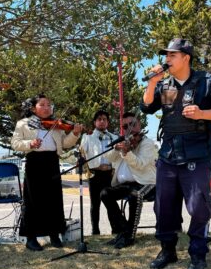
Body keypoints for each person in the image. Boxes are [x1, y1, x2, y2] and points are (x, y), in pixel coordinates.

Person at [141, 38, 211, 269]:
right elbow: (147, 106)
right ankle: (167, 250)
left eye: (172, 55)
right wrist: (152, 83)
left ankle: (198, 254)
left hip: (197, 152)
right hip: (169, 153)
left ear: (185, 58)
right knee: (164, 207)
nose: (166, 60)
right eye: (166, 56)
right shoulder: (164, 83)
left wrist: (202, 113)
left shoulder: (206, 82)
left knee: (198, 206)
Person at [11, 95, 83, 251]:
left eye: (49, 105)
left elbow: (64, 144)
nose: (46, 107)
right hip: (34, 161)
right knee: (33, 200)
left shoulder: (55, 124)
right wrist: (30, 143)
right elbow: (15, 143)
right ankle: (31, 238)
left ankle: (54, 234)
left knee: (54, 199)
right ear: (33, 108)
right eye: (42, 104)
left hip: (52, 161)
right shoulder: (23, 123)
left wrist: (75, 134)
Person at [100, 112, 157, 249]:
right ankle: (125, 230)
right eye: (125, 126)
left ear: (139, 125)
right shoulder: (124, 141)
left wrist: (127, 152)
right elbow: (110, 158)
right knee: (105, 193)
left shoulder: (147, 143)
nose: (129, 129)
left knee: (134, 195)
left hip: (146, 182)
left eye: (132, 124)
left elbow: (141, 164)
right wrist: (117, 148)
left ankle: (129, 236)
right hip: (127, 184)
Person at [79, 110, 117, 235]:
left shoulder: (114, 137)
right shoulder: (88, 137)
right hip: (95, 174)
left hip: (110, 175)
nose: (102, 121)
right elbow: (82, 154)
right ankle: (95, 230)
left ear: (108, 122)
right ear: (95, 122)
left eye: (104, 119)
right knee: (95, 204)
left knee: (111, 202)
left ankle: (115, 229)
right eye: (99, 119)